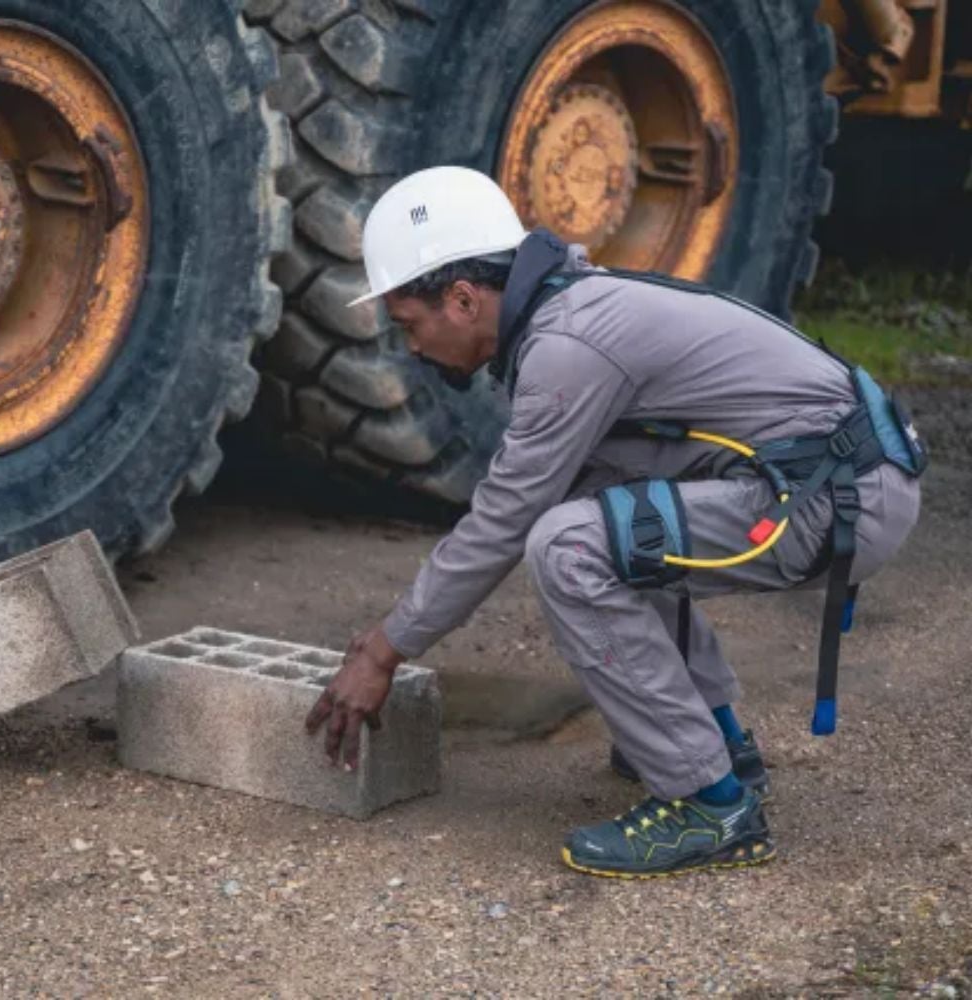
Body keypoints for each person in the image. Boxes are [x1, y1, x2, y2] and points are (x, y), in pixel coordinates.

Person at [305, 166, 924, 879]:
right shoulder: (569, 311)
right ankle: (717, 746)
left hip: (836, 498)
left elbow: (503, 518)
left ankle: (708, 802)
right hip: (839, 482)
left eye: (410, 325)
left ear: (464, 298)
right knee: (614, 505)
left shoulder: (569, 347)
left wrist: (383, 650)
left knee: (566, 547)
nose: (411, 347)